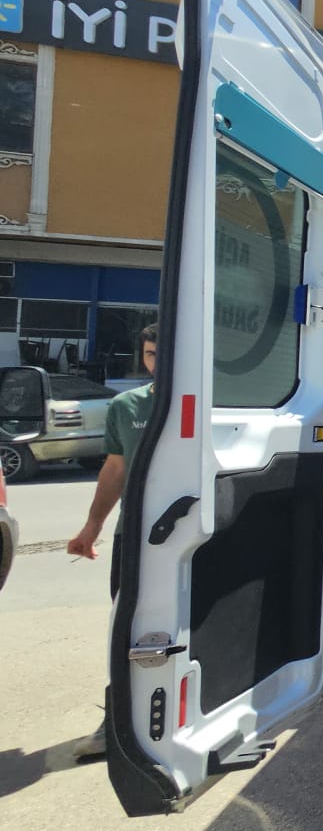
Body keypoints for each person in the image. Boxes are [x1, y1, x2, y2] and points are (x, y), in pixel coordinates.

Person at [66, 323, 158, 761]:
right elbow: (115, 470)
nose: (157, 361)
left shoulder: (211, 404)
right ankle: (119, 721)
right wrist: (92, 527)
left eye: (165, 352)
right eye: (150, 354)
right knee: (128, 625)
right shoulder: (127, 405)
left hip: (194, 533)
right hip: (135, 536)